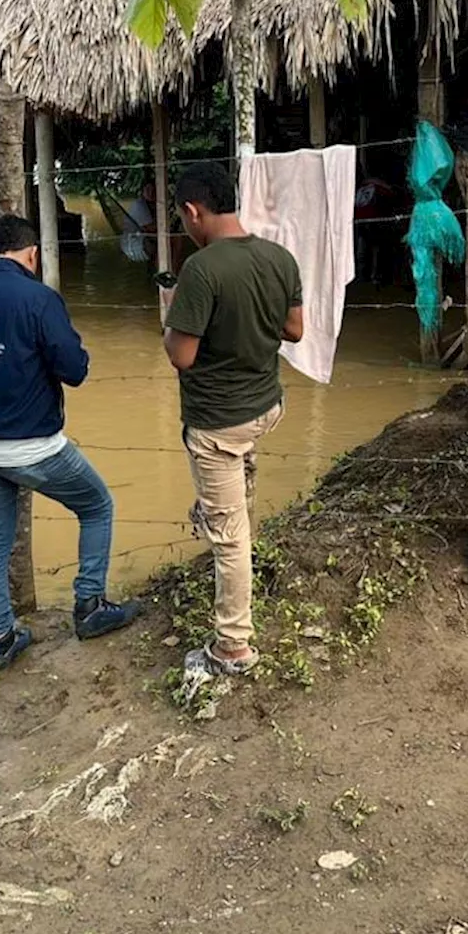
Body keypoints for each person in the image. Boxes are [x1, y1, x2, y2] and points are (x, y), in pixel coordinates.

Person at [0, 214, 140, 669]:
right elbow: (75, 370)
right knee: (97, 506)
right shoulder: (40, 299)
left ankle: (1, 637)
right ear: (31, 254)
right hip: (34, 447)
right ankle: (89, 606)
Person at [162, 162, 304, 676]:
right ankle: (231, 507)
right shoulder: (279, 257)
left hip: (218, 423)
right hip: (266, 406)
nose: (184, 227)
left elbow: (181, 355)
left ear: (193, 211)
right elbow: (295, 331)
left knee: (229, 537)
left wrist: (172, 309)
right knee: (232, 504)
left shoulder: (201, 270)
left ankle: (233, 645)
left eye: (182, 219)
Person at [120, 181, 157, 265]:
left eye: (153, 190)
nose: (150, 193)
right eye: (147, 190)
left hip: (140, 239)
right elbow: (151, 228)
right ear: (142, 191)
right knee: (173, 240)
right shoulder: (140, 205)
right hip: (133, 245)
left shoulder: (151, 205)